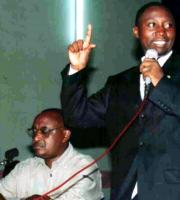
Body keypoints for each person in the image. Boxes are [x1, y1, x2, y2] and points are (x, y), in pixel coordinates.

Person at [61, 2, 180, 200]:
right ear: (136, 31)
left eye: (169, 25)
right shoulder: (119, 83)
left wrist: (161, 83)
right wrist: (75, 71)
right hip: (126, 191)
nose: (162, 32)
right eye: (152, 25)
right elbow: (76, 116)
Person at [0, 108, 103, 200]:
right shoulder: (24, 168)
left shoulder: (85, 168)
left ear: (65, 135)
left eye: (44, 131)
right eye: (34, 131)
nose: (36, 137)